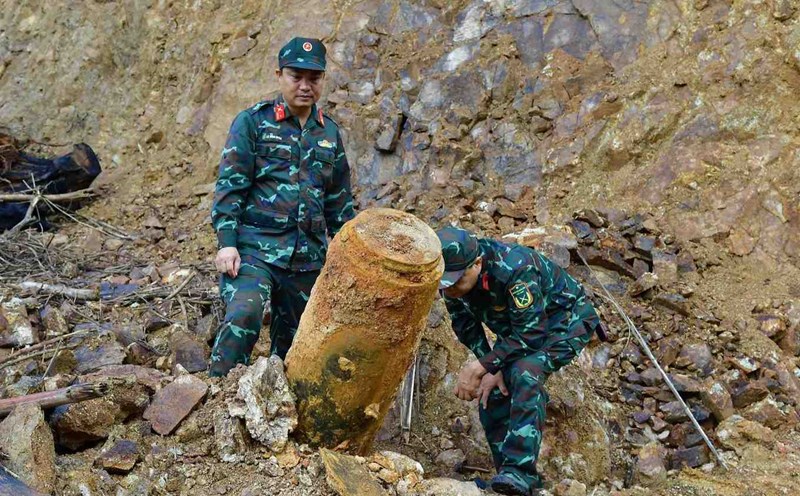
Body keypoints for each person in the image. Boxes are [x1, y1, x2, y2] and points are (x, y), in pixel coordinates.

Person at [209, 37, 355, 377]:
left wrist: (347, 252)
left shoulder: (329, 132)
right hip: (255, 251)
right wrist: (226, 242)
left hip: (307, 258)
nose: (305, 86)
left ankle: (282, 411)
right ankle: (218, 395)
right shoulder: (253, 123)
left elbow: (338, 201)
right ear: (279, 75)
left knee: (299, 345)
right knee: (244, 314)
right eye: (296, 77)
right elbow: (231, 185)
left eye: (313, 78)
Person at [436, 226, 604, 496]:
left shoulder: (515, 268)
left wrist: (484, 366)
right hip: (520, 329)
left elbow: (532, 334)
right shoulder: (453, 283)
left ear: (477, 263)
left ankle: (521, 472)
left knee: (525, 371)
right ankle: (508, 479)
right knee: (492, 390)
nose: (450, 290)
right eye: (444, 283)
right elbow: (465, 325)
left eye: (455, 281)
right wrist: (489, 366)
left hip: (564, 322)